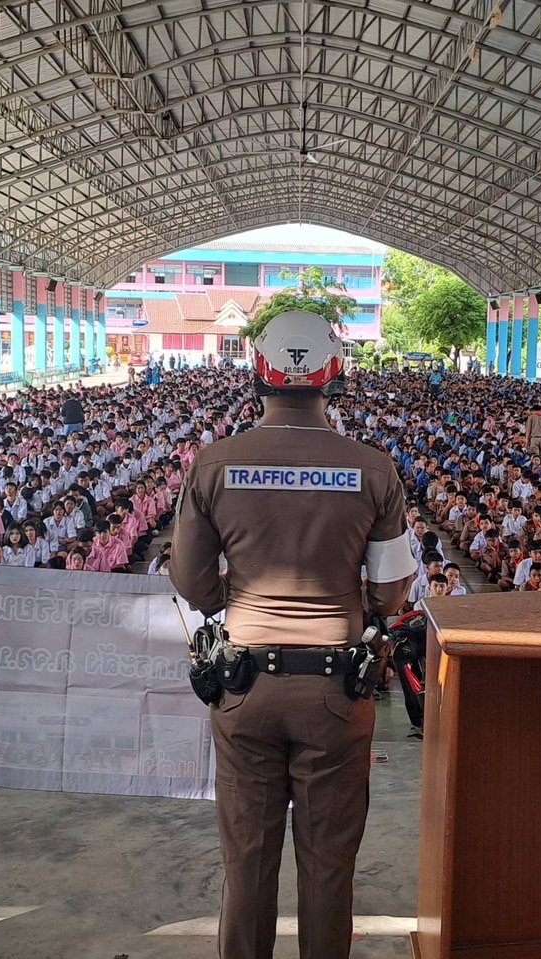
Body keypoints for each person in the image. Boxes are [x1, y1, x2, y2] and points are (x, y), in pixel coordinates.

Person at [171, 310, 414, 959]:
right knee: (328, 865)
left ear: (258, 374)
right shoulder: (372, 468)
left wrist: (236, 598)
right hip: (336, 693)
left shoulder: (215, 464)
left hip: (244, 684)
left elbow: (191, 581)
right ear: (334, 375)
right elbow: (392, 591)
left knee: (246, 862)